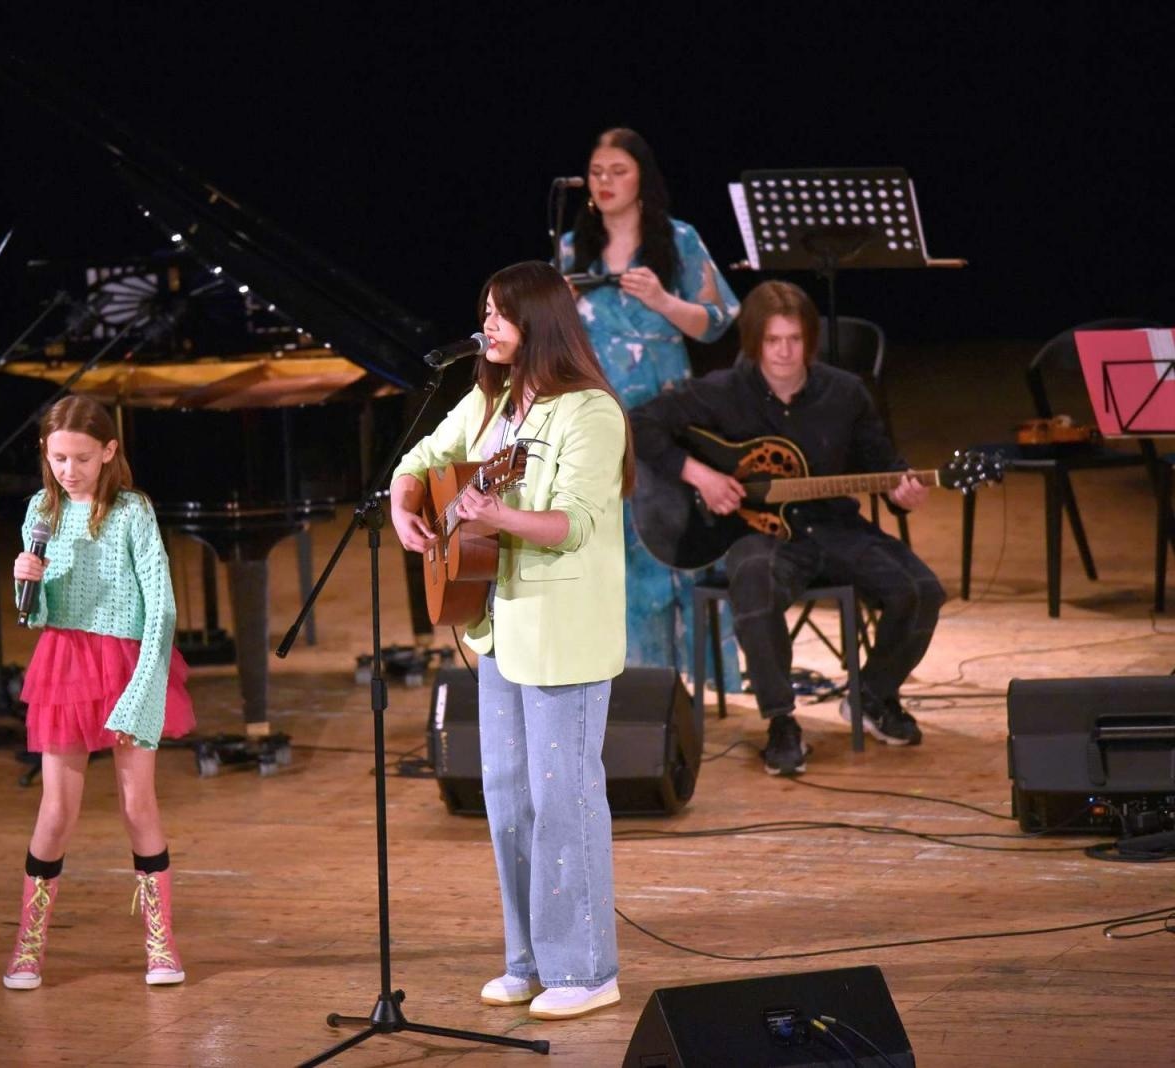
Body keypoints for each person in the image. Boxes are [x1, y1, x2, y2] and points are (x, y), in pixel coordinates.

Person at [391, 261, 631, 1021]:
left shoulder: (590, 413)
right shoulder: (491, 405)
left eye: (500, 315)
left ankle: (589, 968)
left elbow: (574, 526)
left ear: (540, 324)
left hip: (563, 634)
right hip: (498, 629)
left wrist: (495, 519)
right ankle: (527, 960)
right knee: (508, 800)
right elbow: (424, 457)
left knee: (565, 801)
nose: (486, 326)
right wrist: (405, 501)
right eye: (484, 311)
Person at [630, 280, 944, 776]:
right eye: (772, 341)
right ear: (754, 342)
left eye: (794, 340)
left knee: (923, 589)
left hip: (835, 526)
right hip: (758, 533)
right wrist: (701, 475)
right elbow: (638, 424)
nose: (783, 352)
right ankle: (781, 722)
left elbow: (883, 464)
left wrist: (901, 492)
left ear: (810, 341)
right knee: (753, 580)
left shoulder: (845, 393)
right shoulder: (723, 393)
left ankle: (874, 697)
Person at [1, 395, 196, 990]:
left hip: (129, 661)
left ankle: (161, 945)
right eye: (59, 457)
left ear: (109, 452)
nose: (69, 470)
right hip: (65, 663)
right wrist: (25, 585)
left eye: (82, 458)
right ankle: (28, 946)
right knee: (56, 811)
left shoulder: (132, 511)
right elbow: (35, 616)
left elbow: (159, 605)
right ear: (45, 454)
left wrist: (144, 689)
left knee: (138, 805)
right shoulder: (41, 509)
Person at [559, 127, 742, 687]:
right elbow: (552, 337)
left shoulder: (678, 240)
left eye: (619, 171)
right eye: (597, 173)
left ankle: (690, 689)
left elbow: (718, 322)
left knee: (672, 537)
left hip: (664, 409)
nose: (606, 182)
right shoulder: (572, 247)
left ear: (643, 179)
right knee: (614, 549)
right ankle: (632, 683)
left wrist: (663, 301)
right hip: (596, 410)